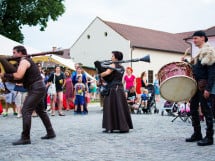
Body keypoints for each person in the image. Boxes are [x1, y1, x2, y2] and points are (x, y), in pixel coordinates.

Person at [0, 45, 56, 145]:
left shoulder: (24, 61)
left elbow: (18, 76)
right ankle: (50, 132)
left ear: (20, 53)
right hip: (37, 87)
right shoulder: (24, 61)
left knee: (26, 110)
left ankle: (25, 137)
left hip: (36, 88)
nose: (13, 55)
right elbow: (21, 79)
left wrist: (4, 75)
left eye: (14, 53)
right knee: (41, 111)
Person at [182, 31, 215, 146]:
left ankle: (209, 137)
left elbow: (212, 72)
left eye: (196, 38)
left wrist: (208, 89)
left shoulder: (209, 52)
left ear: (202, 38)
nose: (194, 40)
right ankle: (197, 133)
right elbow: (196, 69)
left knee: (206, 111)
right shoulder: (199, 53)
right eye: (193, 38)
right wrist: (186, 62)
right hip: (195, 85)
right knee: (193, 109)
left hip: (203, 85)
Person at [95, 51, 133, 133]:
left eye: (112, 56)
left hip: (113, 89)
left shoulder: (113, 65)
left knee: (110, 107)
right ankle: (122, 127)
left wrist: (98, 74)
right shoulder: (122, 67)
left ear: (116, 58)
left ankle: (110, 127)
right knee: (119, 107)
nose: (111, 57)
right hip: (119, 89)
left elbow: (106, 73)